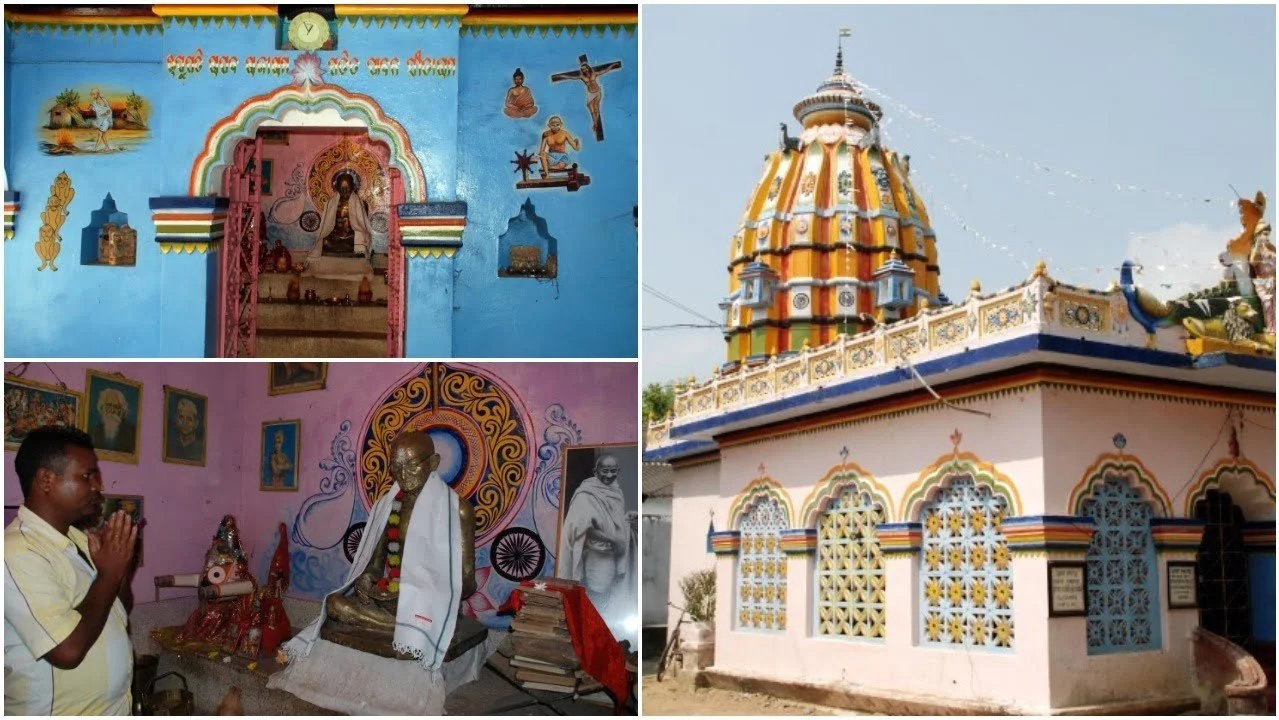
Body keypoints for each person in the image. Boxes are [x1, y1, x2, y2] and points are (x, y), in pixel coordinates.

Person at [5, 426, 137, 715]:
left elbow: (119, 607)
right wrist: (108, 575)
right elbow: (67, 651)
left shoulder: (79, 538)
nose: (97, 486)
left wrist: (119, 568)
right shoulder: (16, 552)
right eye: (86, 476)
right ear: (46, 480)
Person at [558, 454, 637, 614]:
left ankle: (599, 624)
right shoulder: (585, 494)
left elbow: (609, 521)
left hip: (613, 553)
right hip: (595, 555)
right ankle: (592, 623)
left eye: (613, 471)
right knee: (597, 593)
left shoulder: (615, 490)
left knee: (609, 593)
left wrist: (626, 521)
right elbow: (583, 528)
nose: (609, 475)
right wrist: (612, 539)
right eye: (605, 471)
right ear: (596, 471)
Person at [310, 171, 372, 261]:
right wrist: (333, 233)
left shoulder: (360, 203)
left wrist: (353, 233)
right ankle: (340, 248)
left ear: (353, 187)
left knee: (359, 238)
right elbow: (329, 224)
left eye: (348, 188)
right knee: (324, 241)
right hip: (336, 236)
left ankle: (349, 249)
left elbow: (362, 225)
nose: (345, 191)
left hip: (351, 236)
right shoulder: (331, 203)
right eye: (342, 188)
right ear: (337, 188)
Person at [88, 388, 135, 455]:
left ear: (122, 411)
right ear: (102, 408)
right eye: (109, 405)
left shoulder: (132, 432)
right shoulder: (93, 432)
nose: (112, 410)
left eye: (116, 406)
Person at [168, 398, 203, 462]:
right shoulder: (170, 444)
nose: (184, 423)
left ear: (196, 423)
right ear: (176, 419)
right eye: (181, 417)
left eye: (189, 419)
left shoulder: (200, 447)